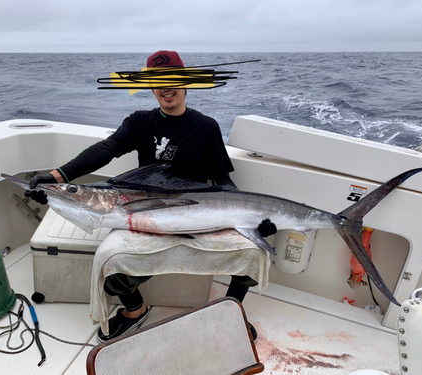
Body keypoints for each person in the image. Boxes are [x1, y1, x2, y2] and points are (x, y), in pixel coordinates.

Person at [26, 50, 276, 343]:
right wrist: (57, 177)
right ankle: (136, 310)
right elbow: (106, 150)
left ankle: (231, 310)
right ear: (151, 87)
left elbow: (222, 180)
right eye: (158, 80)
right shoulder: (139, 122)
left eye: (173, 79)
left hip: (196, 213)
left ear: (186, 83)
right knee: (108, 257)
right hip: (145, 212)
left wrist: (250, 216)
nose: (166, 87)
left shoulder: (206, 127)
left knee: (256, 251)